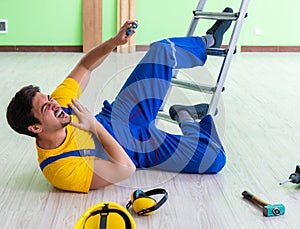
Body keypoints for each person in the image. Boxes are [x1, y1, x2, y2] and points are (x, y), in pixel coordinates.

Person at [6, 8, 233, 193]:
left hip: (122, 114)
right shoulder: (60, 169)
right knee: (215, 160)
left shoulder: (60, 104)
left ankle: (207, 41)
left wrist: (114, 41)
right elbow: (125, 168)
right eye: (46, 106)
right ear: (35, 127)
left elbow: (84, 66)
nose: (54, 102)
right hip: (138, 148)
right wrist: (93, 126)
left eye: (48, 98)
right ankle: (184, 115)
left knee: (163, 50)